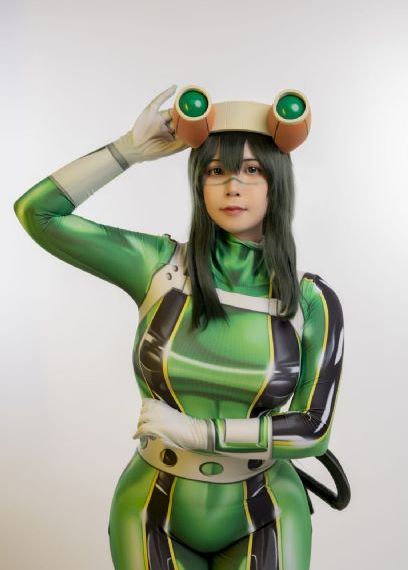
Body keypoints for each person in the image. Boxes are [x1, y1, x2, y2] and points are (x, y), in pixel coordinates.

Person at [14, 84, 345, 569]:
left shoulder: (312, 301)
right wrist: (127, 150)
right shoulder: (158, 268)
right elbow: (37, 213)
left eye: (252, 170)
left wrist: (198, 431)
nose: (233, 186)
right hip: (150, 507)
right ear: (199, 183)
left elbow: (314, 429)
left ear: (277, 181)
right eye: (217, 171)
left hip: (269, 512)